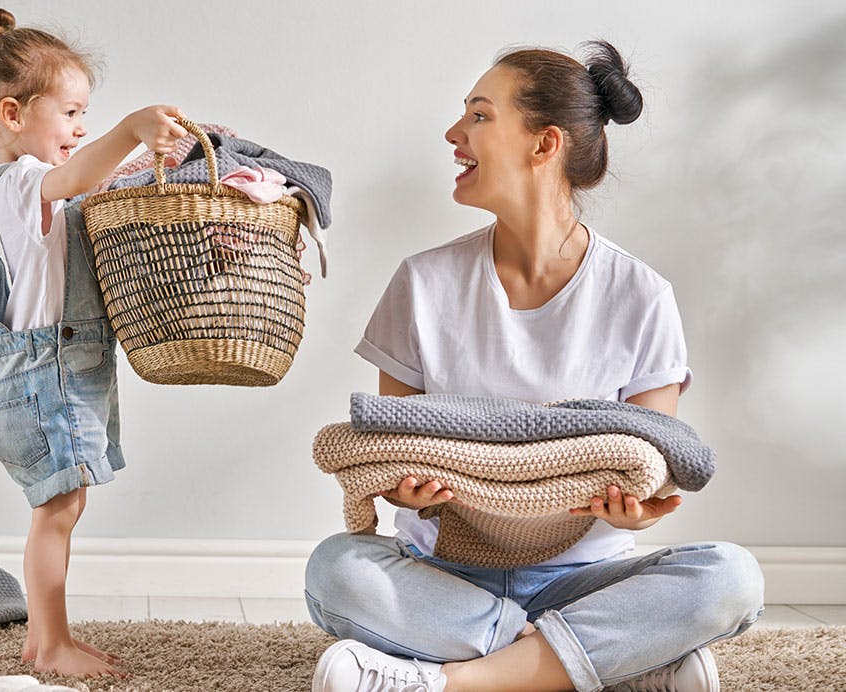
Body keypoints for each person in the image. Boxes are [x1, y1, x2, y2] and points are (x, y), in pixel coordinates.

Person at [305, 41, 764, 692]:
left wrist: (630, 510)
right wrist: (400, 490)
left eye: (480, 117)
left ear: (543, 145)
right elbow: (395, 444)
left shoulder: (640, 295)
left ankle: (447, 681)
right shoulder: (423, 283)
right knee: (336, 571)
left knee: (731, 578)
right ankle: (608, 665)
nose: (453, 134)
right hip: (445, 576)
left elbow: (651, 463)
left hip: (581, 579)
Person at [0, 8, 186, 679]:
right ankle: (54, 641)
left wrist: (149, 156)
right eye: (70, 112)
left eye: (87, 114)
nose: (83, 126)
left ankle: (41, 638)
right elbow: (81, 176)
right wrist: (128, 129)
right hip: (39, 381)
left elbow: (92, 188)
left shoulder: (45, 197)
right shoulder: (18, 185)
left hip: (59, 375)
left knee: (63, 505)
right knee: (56, 509)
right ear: (13, 114)